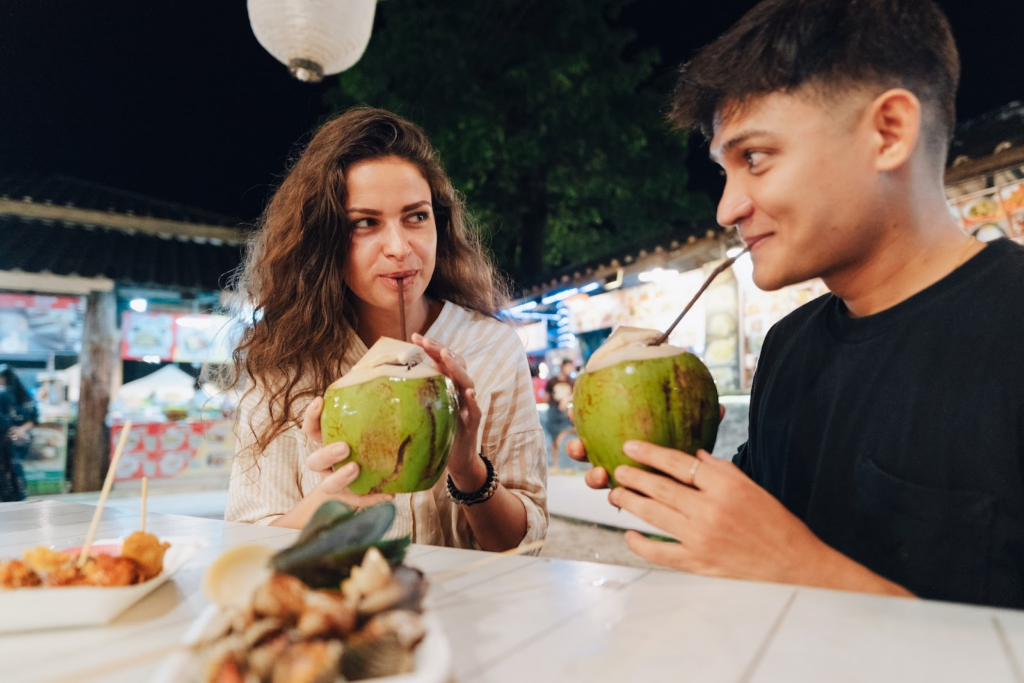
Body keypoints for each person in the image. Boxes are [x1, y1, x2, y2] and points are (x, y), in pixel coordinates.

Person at [569, 0, 1024, 608]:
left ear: (888, 132)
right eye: (724, 170)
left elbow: (776, 557)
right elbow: (751, 538)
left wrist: (798, 567)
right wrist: (666, 474)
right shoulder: (787, 347)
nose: (727, 209)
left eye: (754, 157)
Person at [224, 108, 547, 553]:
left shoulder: (490, 347)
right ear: (325, 239)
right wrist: (331, 499)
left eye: (416, 217)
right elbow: (246, 548)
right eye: (364, 223)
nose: (399, 248)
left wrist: (468, 469)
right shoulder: (285, 363)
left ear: (440, 223)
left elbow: (524, 544)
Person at [0, 366, 37, 502]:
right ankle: (15, 495)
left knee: (11, 467)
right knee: (10, 468)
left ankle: (15, 496)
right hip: (12, 437)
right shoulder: (12, 395)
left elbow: (32, 419)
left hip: (12, 439)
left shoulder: (14, 396)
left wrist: (18, 430)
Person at [543, 359, 575, 467]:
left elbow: (575, 395)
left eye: (571, 367)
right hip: (553, 411)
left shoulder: (572, 382)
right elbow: (546, 396)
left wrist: (566, 399)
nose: (570, 369)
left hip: (565, 412)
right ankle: (555, 465)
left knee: (565, 434)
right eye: (568, 366)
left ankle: (563, 464)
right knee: (554, 439)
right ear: (562, 366)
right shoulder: (552, 381)